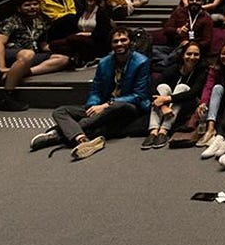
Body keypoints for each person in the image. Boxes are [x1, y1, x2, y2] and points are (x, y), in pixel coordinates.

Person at [29, 28, 150, 160]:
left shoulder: (141, 62)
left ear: (130, 42)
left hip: (128, 106)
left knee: (117, 106)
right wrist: (92, 106)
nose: (119, 44)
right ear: (111, 44)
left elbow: (139, 95)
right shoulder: (104, 63)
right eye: (116, 41)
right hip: (103, 106)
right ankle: (82, 139)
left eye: (123, 40)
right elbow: (96, 90)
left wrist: (106, 105)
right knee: (60, 111)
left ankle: (58, 133)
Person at [0, 0, 71, 111]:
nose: (32, 7)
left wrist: (62, 47)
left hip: (30, 56)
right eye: (27, 5)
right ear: (19, 8)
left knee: (63, 58)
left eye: (35, 4)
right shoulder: (10, 22)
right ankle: (7, 97)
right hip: (10, 55)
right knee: (28, 54)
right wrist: (2, 68)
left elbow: (43, 45)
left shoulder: (40, 22)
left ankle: (20, 73)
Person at [141, 41, 206, 149]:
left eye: (196, 54)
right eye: (189, 54)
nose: (192, 57)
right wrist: (163, 106)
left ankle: (164, 130)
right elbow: (153, 87)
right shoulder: (174, 68)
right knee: (162, 87)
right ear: (183, 55)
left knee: (182, 87)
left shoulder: (202, 70)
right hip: (168, 106)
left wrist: (167, 99)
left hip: (189, 104)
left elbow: (193, 93)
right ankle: (153, 131)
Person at [47, 0, 113, 67]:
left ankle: (80, 58)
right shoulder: (81, 11)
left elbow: (103, 33)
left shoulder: (101, 13)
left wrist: (86, 34)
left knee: (74, 39)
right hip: (78, 40)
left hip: (96, 41)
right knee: (54, 44)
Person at [154, 0, 213, 66]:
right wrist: (177, 30)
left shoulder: (206, 18)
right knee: (152, 49)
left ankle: (163, 64)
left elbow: (207, 40)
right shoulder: (179, 12)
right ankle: (170, 60)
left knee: (183, 50)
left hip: (193, 51)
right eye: (192, 0)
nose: (194, 2)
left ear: (202, 1)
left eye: (197, 0)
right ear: (188, 0)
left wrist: (191, 45)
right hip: (174, 47)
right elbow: (166, 29)